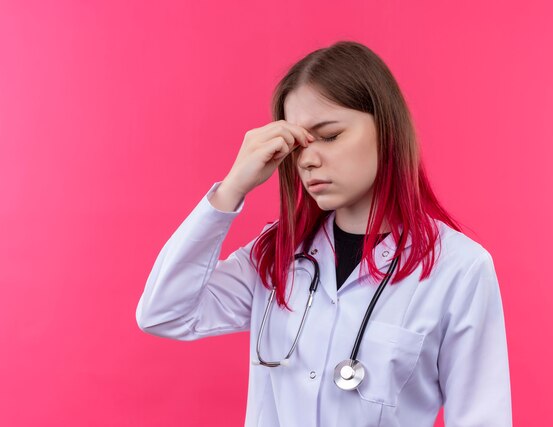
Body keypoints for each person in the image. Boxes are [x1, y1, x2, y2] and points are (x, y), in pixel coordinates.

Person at [136, 40, 512, 427]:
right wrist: (232, 188)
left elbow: (482, 417)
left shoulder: (458, 268)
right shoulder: (277, 255)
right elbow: (163, 313)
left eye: (330, 135)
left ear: (387, 129)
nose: (309, 159)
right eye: (298, 145)